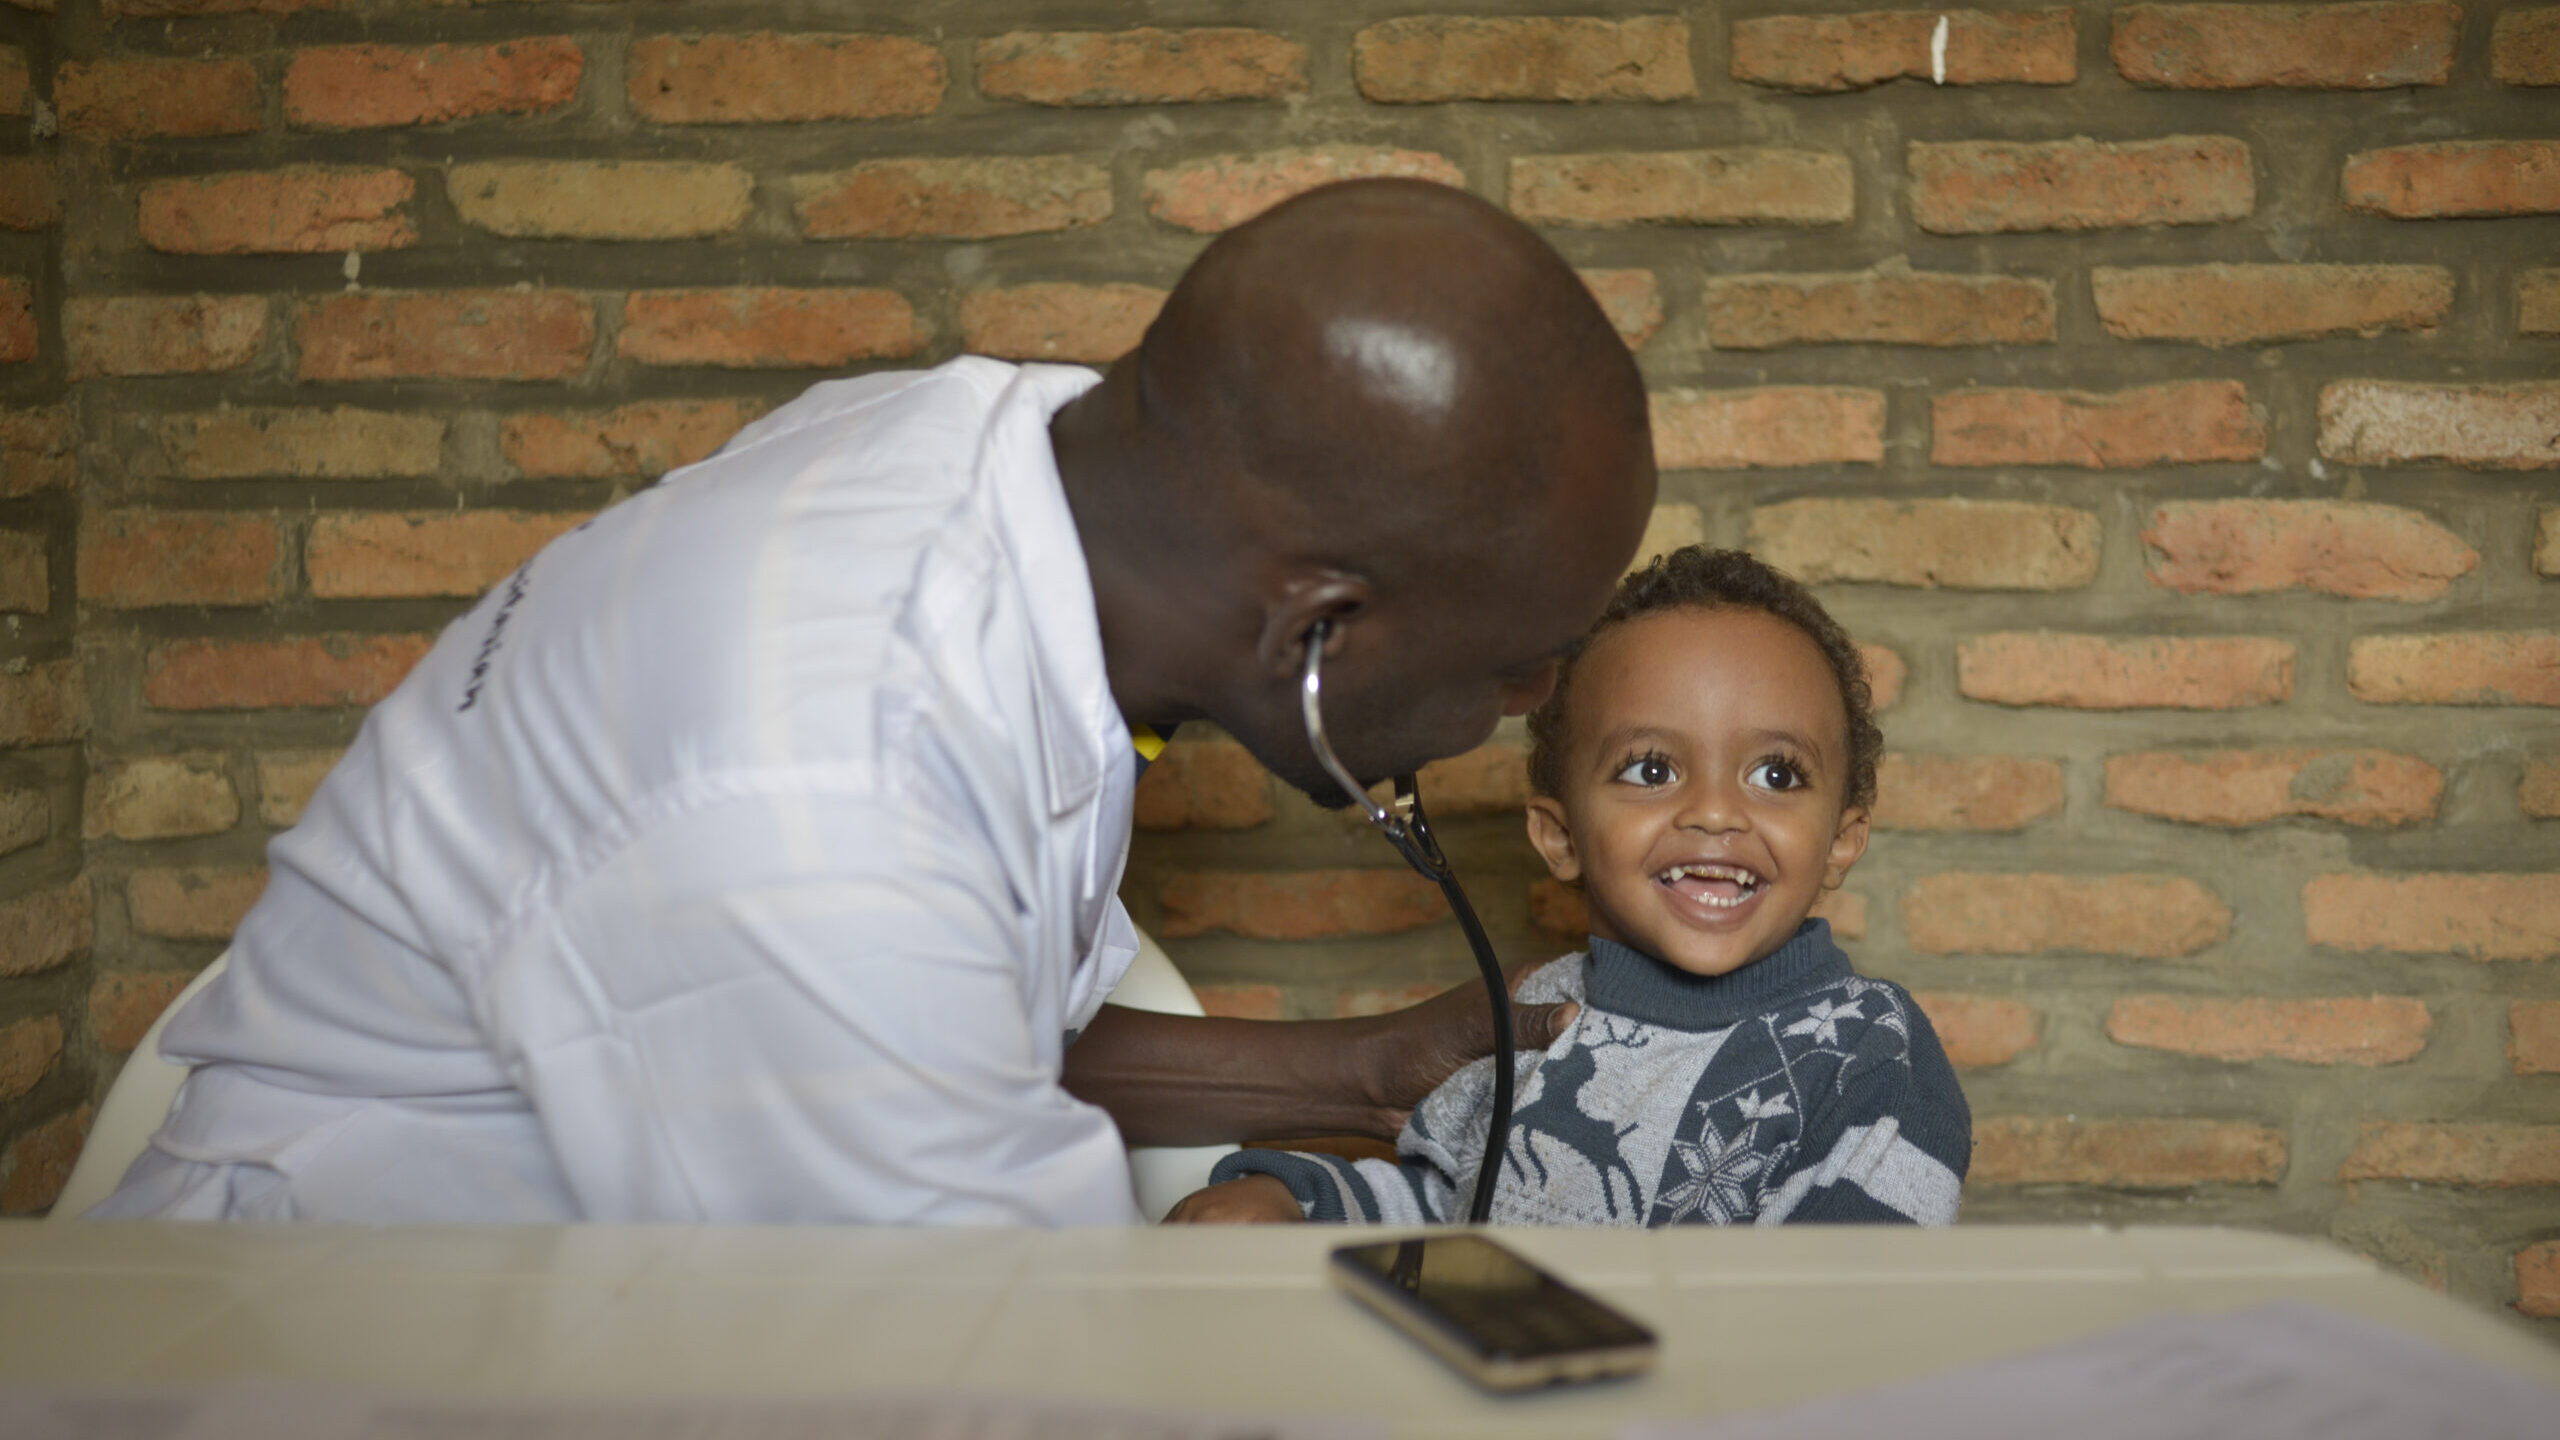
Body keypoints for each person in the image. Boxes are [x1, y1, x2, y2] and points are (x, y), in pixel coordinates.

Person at [92, 179, 1658, 1223]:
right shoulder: (829, 793)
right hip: (321, 1348)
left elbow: (952, 1025)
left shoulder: (994, 472)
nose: (1532, 703)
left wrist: (1360, 1074)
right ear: (1318, 630)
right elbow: (1002, 1384)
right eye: (1522, 656)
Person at [1170, 547, 1971, 1226]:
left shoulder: (1868, 1047)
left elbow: (1846, 1317)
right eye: (1652, 769)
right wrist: (1298, 1199)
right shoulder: (1529, 1019)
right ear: (1558, 836)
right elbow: (1442, 1209)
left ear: (1841, 841)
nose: (1716, 812)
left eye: (1776, 772)